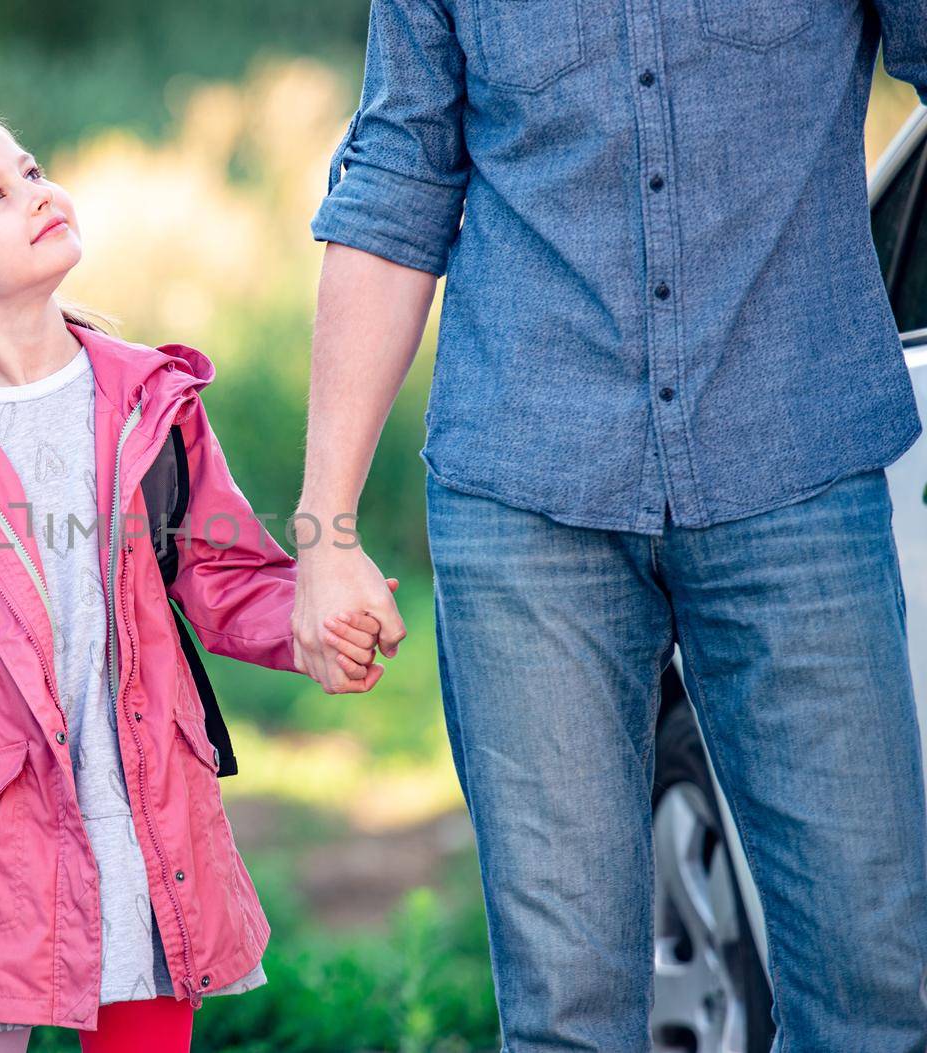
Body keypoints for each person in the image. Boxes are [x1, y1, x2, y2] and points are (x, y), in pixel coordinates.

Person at [290, 2, 927, 1051]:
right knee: (566, 1016)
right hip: (525, 493)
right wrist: (326, 533)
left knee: (874, 989)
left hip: (796, 468)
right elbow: (394, 182)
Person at [0, 112, 389, 1053]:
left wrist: (314, 621)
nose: (38, 191)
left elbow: (223, 573)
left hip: (144, 824)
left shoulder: (152, 401)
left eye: (31, 169)